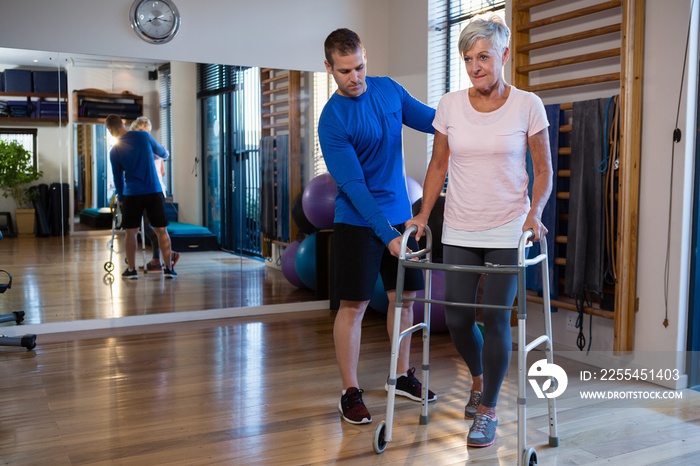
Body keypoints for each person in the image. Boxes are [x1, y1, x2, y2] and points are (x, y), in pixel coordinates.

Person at [407, 14, 553, 448]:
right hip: (459, 224)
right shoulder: (450, 105)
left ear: (504, 55)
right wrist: (421, 214)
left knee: (494, 317)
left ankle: (488, 410)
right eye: (468, 58)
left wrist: (535, 213)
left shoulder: (528, 105)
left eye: (483, 57)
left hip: (509, 225)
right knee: (455, 317)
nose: (475, 66)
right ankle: (479, 379)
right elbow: (438, 165)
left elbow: (543, 170)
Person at [318, 28, 437, 425]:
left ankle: (401, 377)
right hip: (357, 221)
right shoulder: (332, 120)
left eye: (360, 66)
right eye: (345, 71)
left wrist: (480, 113)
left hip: (401, 216)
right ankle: (349, 390)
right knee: (354, 306)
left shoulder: (388, 90)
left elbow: (436, 122)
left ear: (365, 55)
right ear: (329, 68)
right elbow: (353, 187)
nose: (355, 77)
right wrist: (386, 235)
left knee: (404, 301)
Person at [106, 114, 177, 279]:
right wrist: (165, 152)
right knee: (161, 230)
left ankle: (131, 270)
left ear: (110, 129)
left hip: (132, 194)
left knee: (131, 232)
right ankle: (168, 269)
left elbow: (118, 179)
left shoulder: (115, 150)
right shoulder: (143, 136)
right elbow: (162, 153)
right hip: (153, 190)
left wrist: (121, 198)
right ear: (123, 123)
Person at [130, 116, 180, 272]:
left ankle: (166, 255)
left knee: (151, 226)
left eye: (142, 131)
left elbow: (164, 158)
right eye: (137, 131)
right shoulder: (151, 146)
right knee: (146, 226)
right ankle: (157, 259)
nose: (140, 134)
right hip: (148, 189)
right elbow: (163, 171)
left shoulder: (151, 146)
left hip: (154, 190)